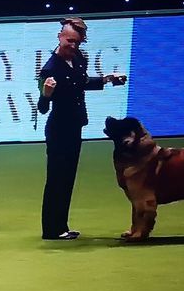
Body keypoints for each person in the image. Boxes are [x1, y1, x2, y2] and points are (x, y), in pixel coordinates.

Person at [38, 17, 127, 240]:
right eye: (70, 41)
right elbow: (42, 108)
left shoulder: (79, 58)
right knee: (57, 179)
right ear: (60, 37)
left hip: (75, 125)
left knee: (68, 179)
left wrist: (107, 79)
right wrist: (46, 94)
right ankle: (51, 230)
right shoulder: (49, 69)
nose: (73, 46)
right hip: (58, 130)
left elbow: (81, 82)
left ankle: (61, 226)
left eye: (77, 42)